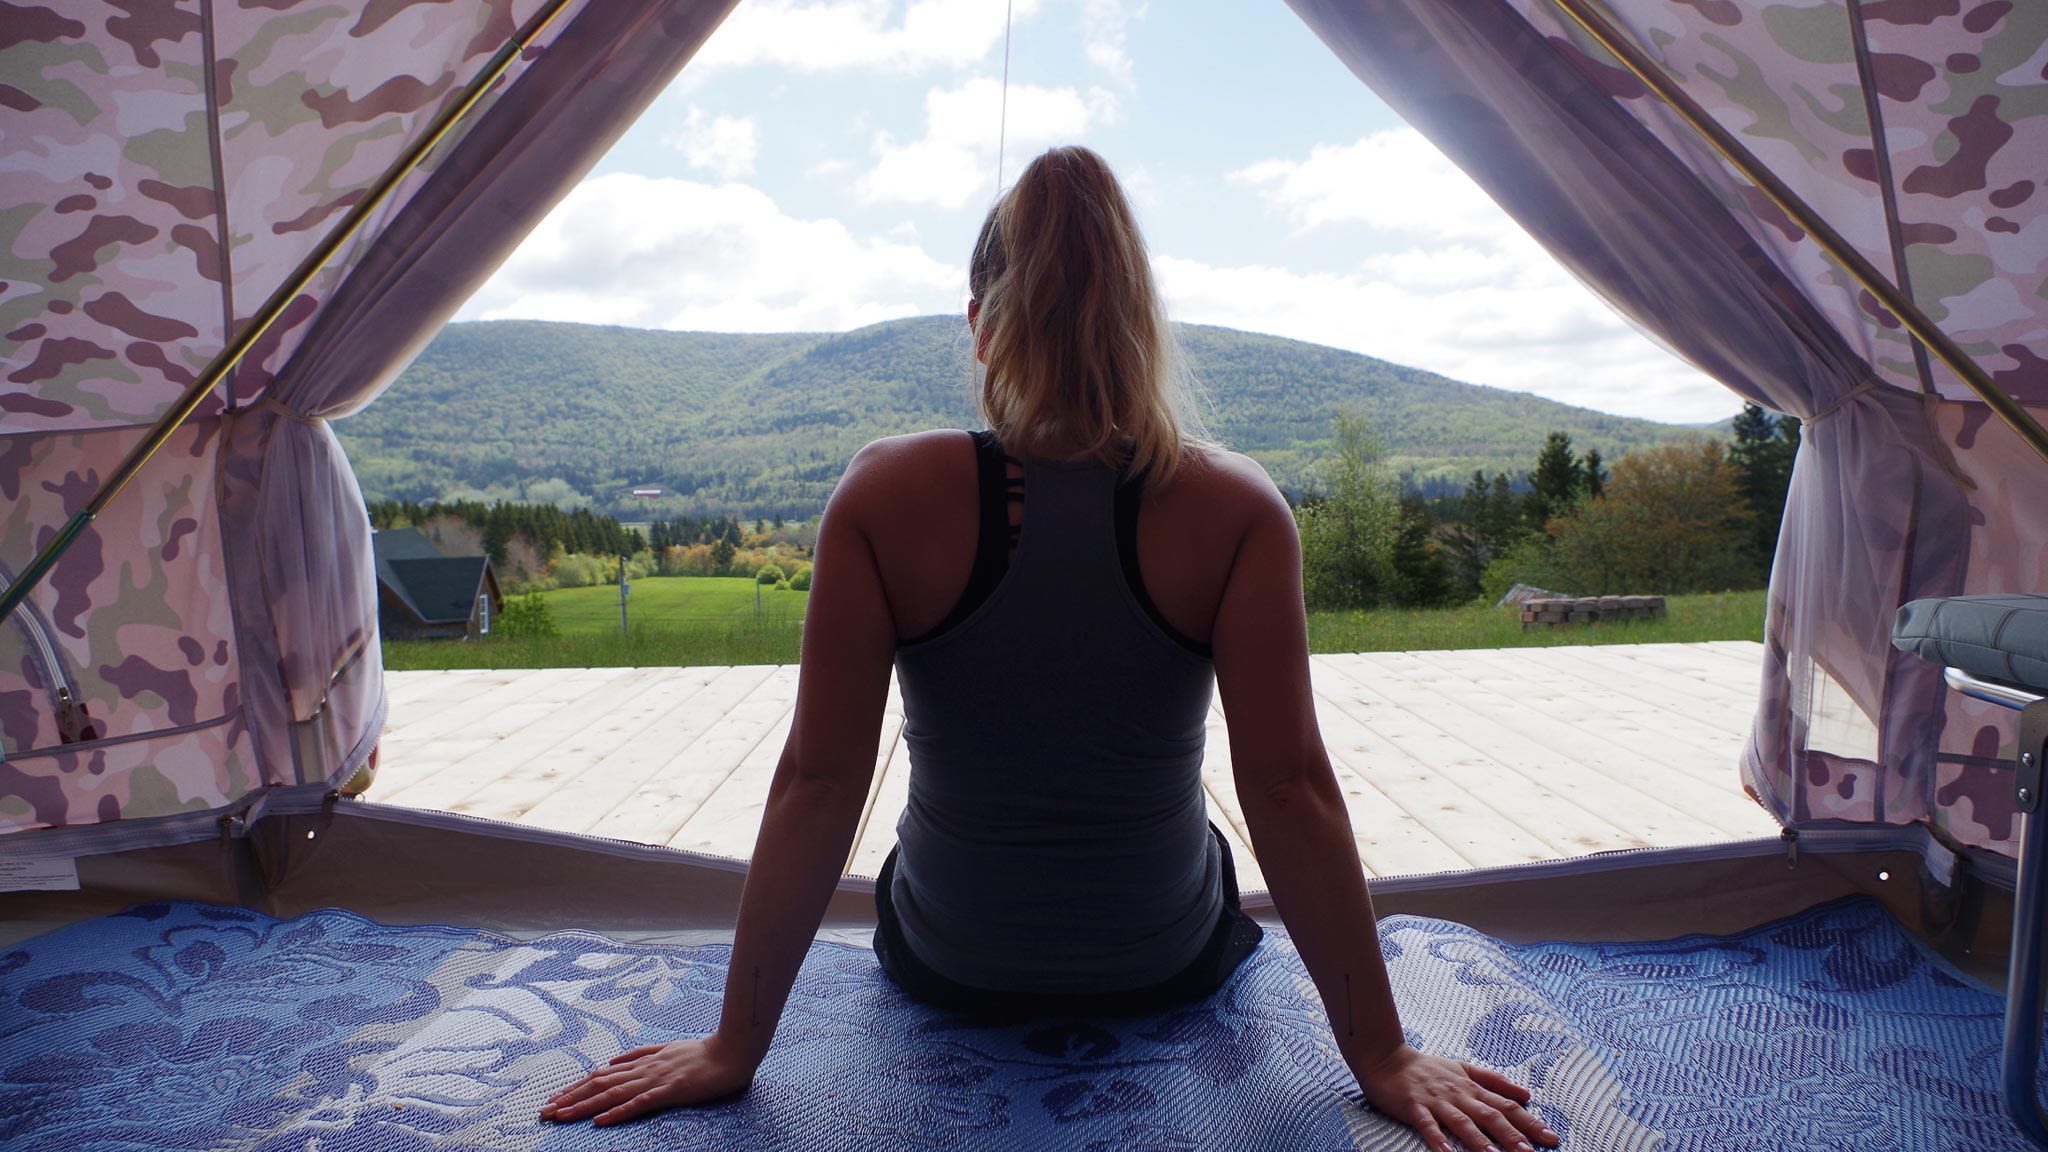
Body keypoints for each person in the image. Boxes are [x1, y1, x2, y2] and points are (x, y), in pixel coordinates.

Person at [541, 146, 1559, 1152]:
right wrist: (1381, 1054)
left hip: (949, 964)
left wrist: (734, 1046)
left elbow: (817, 783)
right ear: (1141, 326)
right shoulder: (1237, 507)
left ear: (982, 330)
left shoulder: (884, 494)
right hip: (1162, 962)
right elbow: (1288, 790)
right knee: (1203, 847)